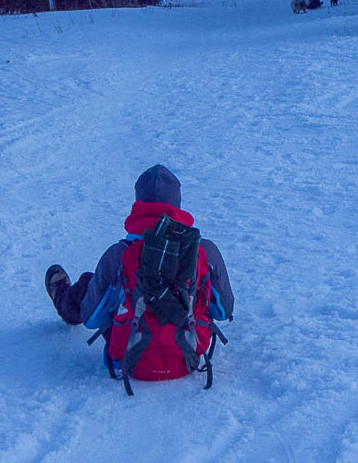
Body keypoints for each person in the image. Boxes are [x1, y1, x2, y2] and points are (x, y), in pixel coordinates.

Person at [45, 164, 234, 385]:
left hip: (130, 358)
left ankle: (66, 303)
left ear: (138, 203)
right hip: (188, 356)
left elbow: (92, 318)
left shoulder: (119, 254)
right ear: (177, 203)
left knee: (92, 282)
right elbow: (223, 311)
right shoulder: (204, 251)